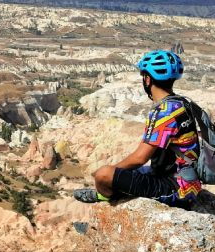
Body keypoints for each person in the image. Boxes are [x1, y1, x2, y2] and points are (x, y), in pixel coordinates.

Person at [74, 49, 201, 208]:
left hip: (175, 188)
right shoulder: (182, 103)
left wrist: (107, 171)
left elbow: (140, 158)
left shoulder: (164, 112)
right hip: (186, 178)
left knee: (103, 175)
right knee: (127, 173)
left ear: (147, 79)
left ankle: (105, 196)